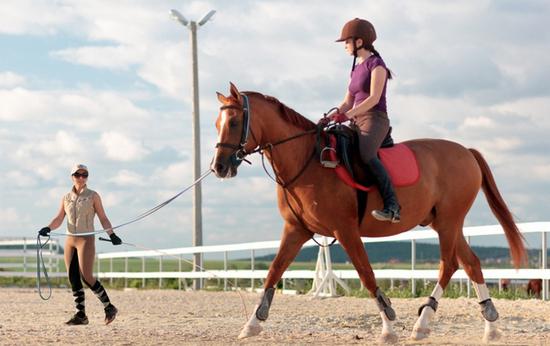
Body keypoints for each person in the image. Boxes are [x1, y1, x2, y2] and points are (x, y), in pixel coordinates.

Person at [328, 18, 400, 223]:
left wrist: (347, 116)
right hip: (356, 119)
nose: (344, 46)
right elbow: (347, 101)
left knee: (366, 154)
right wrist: (332, 116)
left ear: (359, 42)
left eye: (347, 41)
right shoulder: (355, 69)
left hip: (375, 119)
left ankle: (392, 205)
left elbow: (374, 98)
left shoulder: (377, 65)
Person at [38, 164, 122, 325]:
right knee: (73, 277)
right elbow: (59, 218)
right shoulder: (66, 197)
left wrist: (112, 235)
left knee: (87, 276)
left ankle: (109, 307)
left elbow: (103, 218)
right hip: (70, 239)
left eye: (85, 175)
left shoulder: (93, 196)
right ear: (72, 176)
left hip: (86, 239)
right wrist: (48, 227)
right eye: (78, 174)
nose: (81, 177)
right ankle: (81, 315)